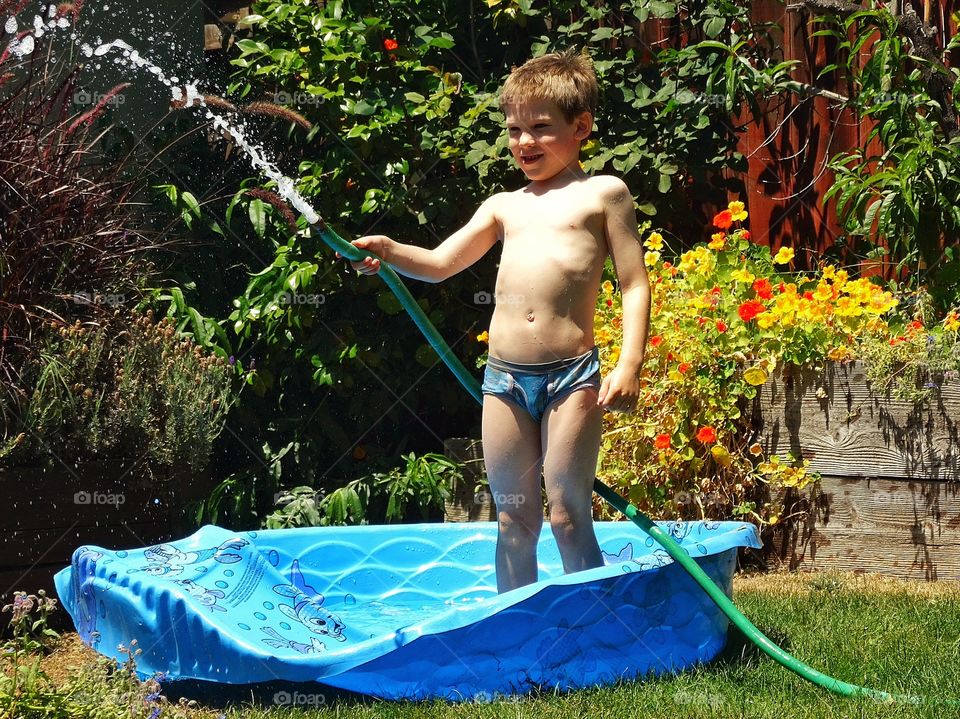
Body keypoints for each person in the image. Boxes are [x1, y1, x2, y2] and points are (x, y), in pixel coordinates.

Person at [336, 47, 650, 593]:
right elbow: (440, 264)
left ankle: (599, 629)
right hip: (504, 379)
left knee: (567, 513)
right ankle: (520, 634)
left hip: (571, 377)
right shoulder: (503, 205)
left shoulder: (603, 194)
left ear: (581, 126)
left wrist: (630, 363)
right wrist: (389, 250)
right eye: (514, 130)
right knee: (512, 519)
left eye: (540, 128)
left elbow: (633, 284)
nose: (524, 142)